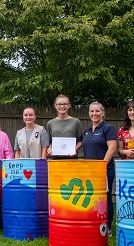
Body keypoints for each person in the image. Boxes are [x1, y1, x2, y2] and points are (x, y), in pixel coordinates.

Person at [81, 102, 117, 236]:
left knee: (106, 198)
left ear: (102, 113)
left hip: (105, 170)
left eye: (97, 111)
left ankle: (108, 227)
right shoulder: (87, 131)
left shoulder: (108, 128)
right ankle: (95, 224)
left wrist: (102, 165)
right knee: (92, 198)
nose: (94, 114)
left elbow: (112, 148)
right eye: (92, 111)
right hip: (90, 171)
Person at [46, 94, 83, 159]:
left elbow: (80, 140)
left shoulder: (76, 122)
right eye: (59, 104)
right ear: (56, 106)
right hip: (55, 158)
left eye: (65, 104)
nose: (62, 106)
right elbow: (49, 141)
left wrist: (75, 149)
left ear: (69, 106)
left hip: (71, 158)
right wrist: (50, 148)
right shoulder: (50, 123)